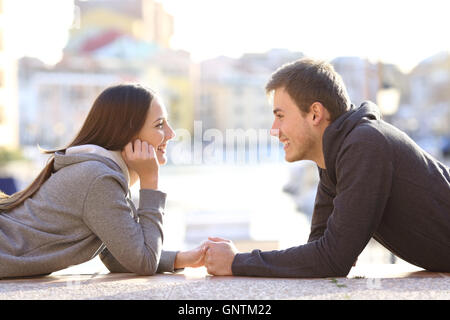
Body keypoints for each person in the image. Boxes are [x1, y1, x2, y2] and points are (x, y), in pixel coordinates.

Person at [203, 58, 450, 277]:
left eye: (280, 116)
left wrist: (237, 262)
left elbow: (332, 259)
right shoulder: (337, 156)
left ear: (315, 114)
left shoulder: (364, 144)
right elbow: (320, 249)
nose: (274, 130)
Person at [0, 84, 204, 279]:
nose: (171, 133)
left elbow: (119, 253)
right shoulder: (98, 178)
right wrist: (150, 180)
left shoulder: (97, 170)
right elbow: (145, 261)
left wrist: (183, 258)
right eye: (160, 124)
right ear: (127, 133)